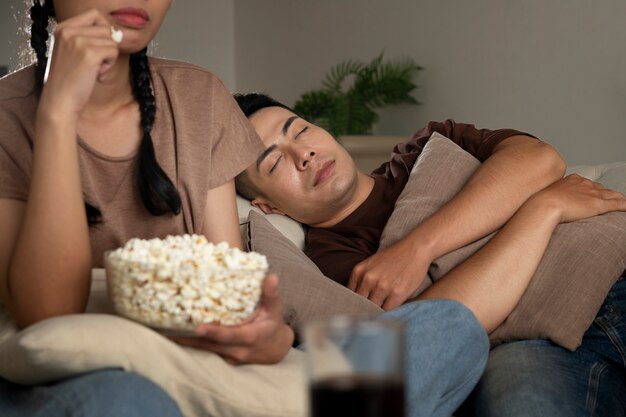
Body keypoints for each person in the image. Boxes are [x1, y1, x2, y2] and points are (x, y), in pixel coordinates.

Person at [233, 92, 626, 416]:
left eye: (300, 130)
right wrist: (543, 209)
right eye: (274, 161)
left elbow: (541, 160)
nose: (304, 153)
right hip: (537, 346)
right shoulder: (331, 267)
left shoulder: (426, 149)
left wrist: (418, 247)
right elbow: (443, 333)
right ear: (268, 206)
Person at [0, 1, 288, 416]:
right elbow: (48, 315)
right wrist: (58, 115)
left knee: (414, 332)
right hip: (63, 384)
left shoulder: (199, 96)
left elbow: (225, 296)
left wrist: (269, 336)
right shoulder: (8, 114)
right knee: (128, 399)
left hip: (186, 370)